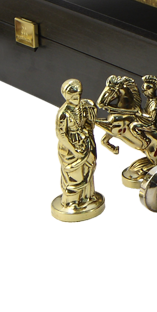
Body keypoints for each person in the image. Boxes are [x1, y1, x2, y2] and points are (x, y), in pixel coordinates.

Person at [54, 78, 99, 212]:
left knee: (90, 166)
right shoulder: (63, 114)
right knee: (75, 175)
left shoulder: (83, 106)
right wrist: (74, 150)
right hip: (70, 149)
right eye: (73, 97)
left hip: (85, 143)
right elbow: (61, 135)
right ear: (66, 97)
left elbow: (89, 124)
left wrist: (91, 116)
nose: (77, 99)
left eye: (78, 95)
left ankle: (87, 196)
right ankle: (71, 202)